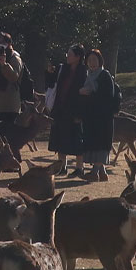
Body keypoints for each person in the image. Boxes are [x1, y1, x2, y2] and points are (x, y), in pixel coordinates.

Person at [47, 44, 86, 176]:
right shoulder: (62, 69)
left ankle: (79, 168)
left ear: (78, 57)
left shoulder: (83, 71)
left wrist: (80, 113)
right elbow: (51, 83)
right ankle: (61, 166)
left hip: (75, 110)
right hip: (60, 109)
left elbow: (83, 94)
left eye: (70, 54)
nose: (67, 57)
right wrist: (50, 72)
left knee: (77, 139)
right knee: (59, 138)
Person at [78, 48, 116, 182]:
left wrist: (89, 94)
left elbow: (107, 97)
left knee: (100, 144)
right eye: (89, 60)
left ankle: (94, 173)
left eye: (94, 60)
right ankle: (103, 173)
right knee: (94, 143)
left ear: (100, 61)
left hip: (103, 118)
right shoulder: (90, 76)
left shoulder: (105, 75)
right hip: (91, 118)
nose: (92, 63)